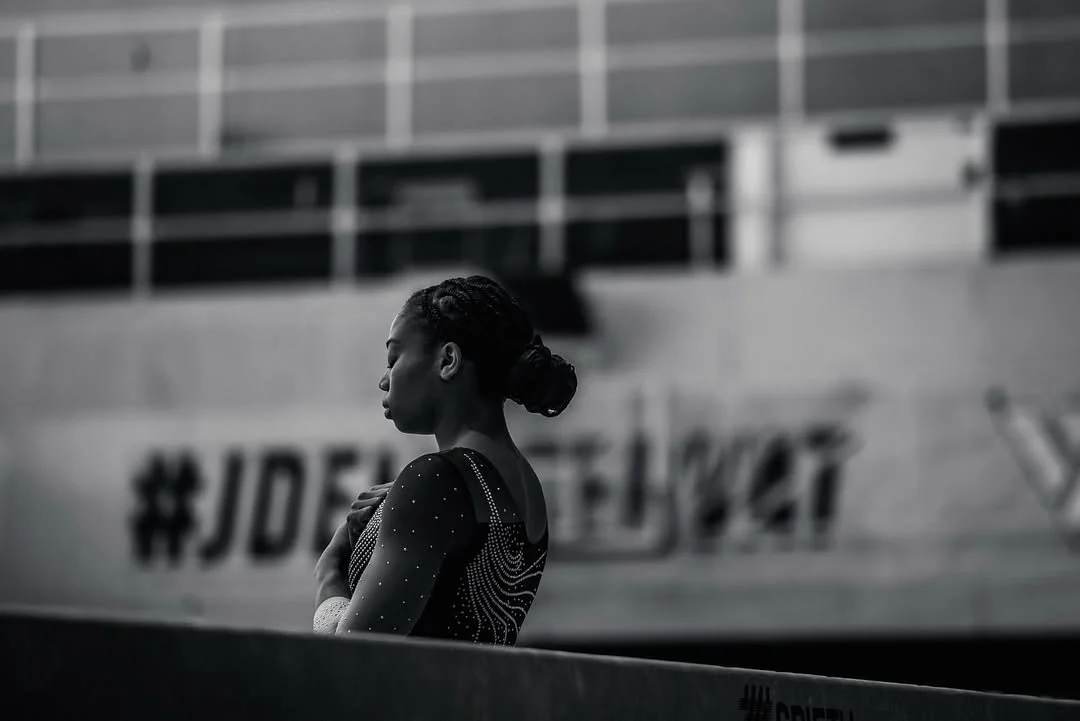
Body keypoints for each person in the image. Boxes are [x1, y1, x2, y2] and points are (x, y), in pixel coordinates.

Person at [313, 274, 577, 644]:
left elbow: (351, 655)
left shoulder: (435, 480)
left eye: (394, 359)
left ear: (448, 360)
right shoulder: (523, 483)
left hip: (412, 685)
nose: (384, 381)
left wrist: (330, 570)